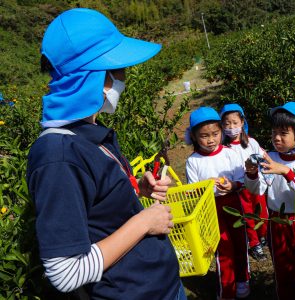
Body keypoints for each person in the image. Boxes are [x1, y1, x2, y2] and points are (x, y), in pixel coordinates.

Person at [26, 8, 186, 300]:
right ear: (95, 78)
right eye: (118, 69)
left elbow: (95, 204)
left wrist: (134, 187)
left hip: (160, 286)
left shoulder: (86, 133)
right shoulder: (58, 156)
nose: (124, 77)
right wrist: (144, 222)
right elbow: (65, 272)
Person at [244, 102, 295, 300]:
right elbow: (258, 189)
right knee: (283, 272)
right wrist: (251, 175)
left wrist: (285, 171)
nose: (276, 138)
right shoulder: (270, 157)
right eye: (274, 132)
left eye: (283, 133)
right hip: (278, 223)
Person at [185, 106, 250, 300]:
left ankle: (242, 280)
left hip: (233, 203)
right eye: (204, 136)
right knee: (222, 248)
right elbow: (192, 190)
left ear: (221, 131)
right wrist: (206, 186)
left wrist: (232, 185)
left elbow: (241, 179)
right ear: (194, 137)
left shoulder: (230, 153)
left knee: (240, 243)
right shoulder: (193, 161)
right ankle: (227, 290)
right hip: (210, 209)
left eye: (215, 134)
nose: (211, 139)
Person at [220, 103, 268, 261]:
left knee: (261, 212)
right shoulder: (224, 148)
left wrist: (269, 171)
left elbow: (263, 155)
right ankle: (254, 244)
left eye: (235, 123)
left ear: (242, 123)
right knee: (247, 216)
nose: (231, 127)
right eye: (227, 124)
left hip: (256, 184)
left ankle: (262, 236)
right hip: (239, 189)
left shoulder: (251, 142)